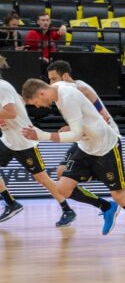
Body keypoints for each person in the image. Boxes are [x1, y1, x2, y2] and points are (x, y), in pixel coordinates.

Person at [21, 79, 125, 250]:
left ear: (41, 93)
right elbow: (84, 92)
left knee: (119, 194)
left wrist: (42, 135)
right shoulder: (60, 88)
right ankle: (106, 206)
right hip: (86, 147)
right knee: (63, 189)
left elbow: (76, 134)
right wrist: (88, 117)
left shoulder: (67, 96)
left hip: (105, 147)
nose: (38, 106)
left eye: (35, 102)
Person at [0, 57, 79, 225]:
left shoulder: (2, 86)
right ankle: (10, 203)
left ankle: (67, 209)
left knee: (42, 179)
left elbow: (11, 113)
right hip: (8, 139)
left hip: (24, 139)